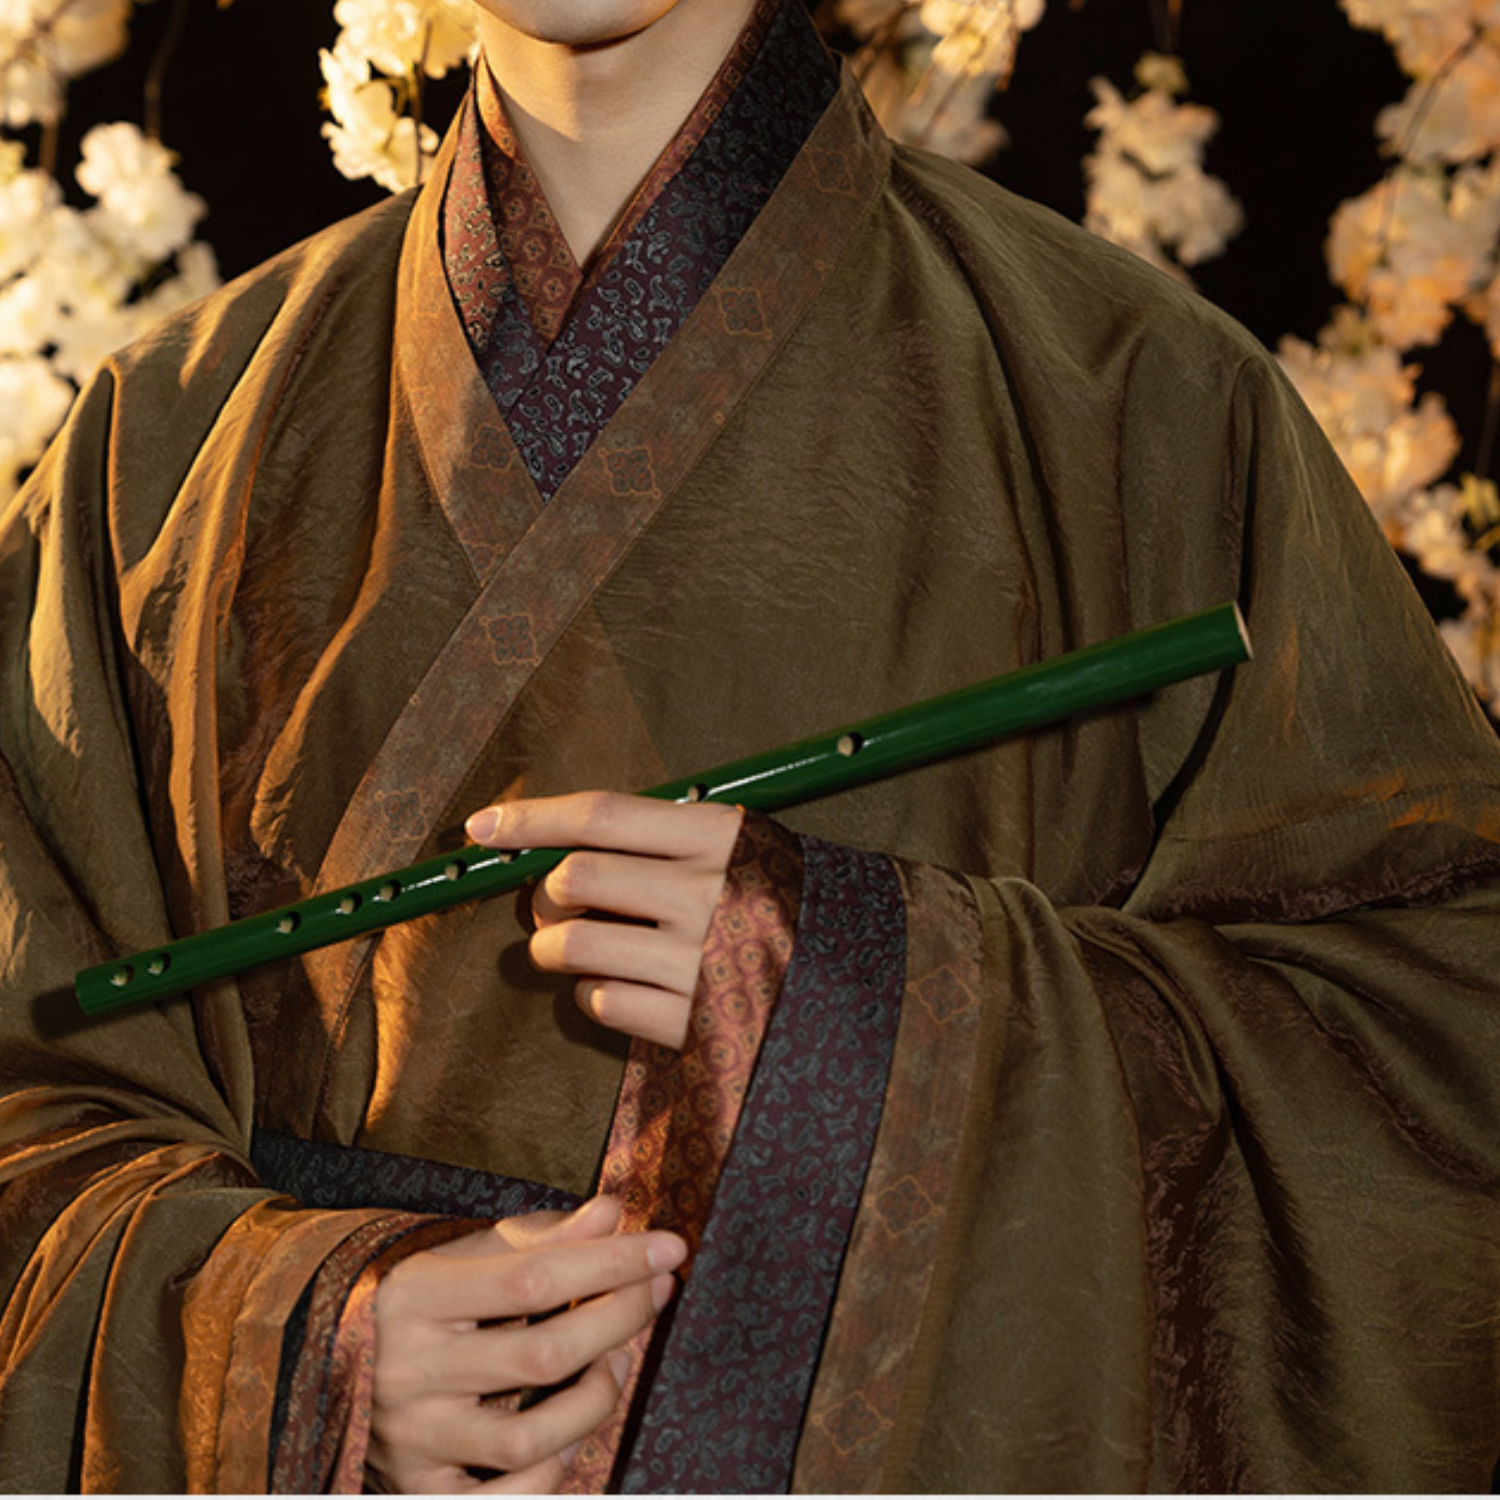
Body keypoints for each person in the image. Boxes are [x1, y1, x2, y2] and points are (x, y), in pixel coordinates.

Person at [2, 0, 1499, 1490]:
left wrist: (859, 997)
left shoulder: (1141, 401)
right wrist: (283, 1339)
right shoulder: (162, 442)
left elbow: (1437, 1077)